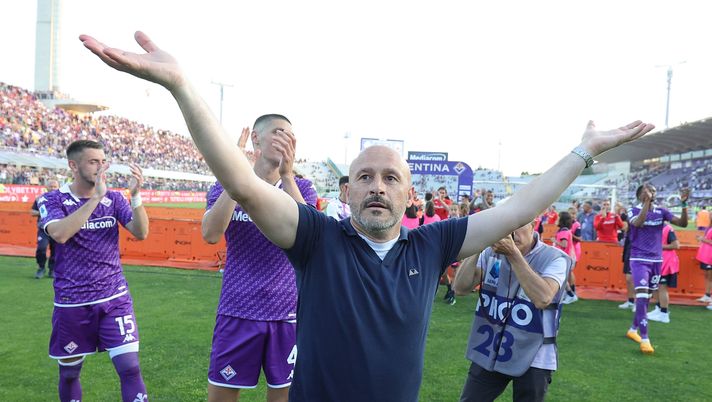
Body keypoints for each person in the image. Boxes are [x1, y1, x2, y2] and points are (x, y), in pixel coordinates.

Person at [80, 31, 653, 401]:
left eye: (391, 178)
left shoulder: (429, 247)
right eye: (365, 177)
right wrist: (182, 86)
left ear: (408, 197)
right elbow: (242, 186)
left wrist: (584, 151)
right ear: (346, 192)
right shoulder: (317, 239)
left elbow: (518, 208)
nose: (377, 187)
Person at [201, 118, 317, 402]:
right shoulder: (226, 185)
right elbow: (211, 234)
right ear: (256, 139)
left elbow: (312, 240)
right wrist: (235, 179)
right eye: (278, 133)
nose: (285, 140)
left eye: (291, 136)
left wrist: (288, 178)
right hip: (238, 310)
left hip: (287, 314)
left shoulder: (303, 187)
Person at [38, 140, 149, 402]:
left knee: (130, 368)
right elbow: (61, 234)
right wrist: (96, 198)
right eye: (93, 162)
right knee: (69, 374)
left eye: (102, 161)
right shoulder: (53, 199)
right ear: (73, 166)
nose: (100, 167)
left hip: (114, 299)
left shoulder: (115, 199)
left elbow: (141, 232)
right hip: (72, 304)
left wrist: (135, 196)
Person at [453, 220, 572, 402]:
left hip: (535, 355)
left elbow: (543, 298)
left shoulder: (555, 258)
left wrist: (513, 254)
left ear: (534, 225)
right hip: (490, 347)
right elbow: (460, 288)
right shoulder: (490, 253)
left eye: (518, 224)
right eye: (505, 224)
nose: (511, 231)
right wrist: (478, 246)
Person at [625, 184, 688, 354]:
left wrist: (684, 205)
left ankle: (632, 330)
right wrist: (646, 203)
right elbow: (638, 223)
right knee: (642, 295)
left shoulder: (661, 211)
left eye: (653, 190)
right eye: (647, 192)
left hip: (657, 260)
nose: (652, 193)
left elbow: (682, 223)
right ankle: (645, 339)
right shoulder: (632, 211)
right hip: (639, 259)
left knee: (647, 298)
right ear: (640, 196)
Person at [647, 223, 679, 323]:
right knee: (656, 286)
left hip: (667, 262)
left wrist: (658, 246)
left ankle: (664, 314)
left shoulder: (668, 229)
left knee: (662, 287)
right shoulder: (653, 227)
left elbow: (676, 245)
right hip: (657, 261)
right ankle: (658, 309)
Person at [31, 179, 60, 279]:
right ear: (46, 187)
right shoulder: (40, 199)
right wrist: (44, 213)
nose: (52, 188)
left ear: (58, 187)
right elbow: (32, 212)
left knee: (56, 250)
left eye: (54, 186)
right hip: (43, 229)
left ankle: (52, 270)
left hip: (57, 229)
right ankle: (41, 268)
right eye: (51, 186)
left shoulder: (62, 199)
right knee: (41, 248)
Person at [552, 211, 578, 304]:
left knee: (561, 278)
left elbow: (564, 244)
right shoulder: (566, 230)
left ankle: (570, 294)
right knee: (562, 277)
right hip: (566, 257)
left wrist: (554, 241)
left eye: (558, 218)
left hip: (564, 258)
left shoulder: (563, 231)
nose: (556, 219)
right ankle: (568, 294)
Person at [696, 226, 712, 306]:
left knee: (710, 277)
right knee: (707, 276)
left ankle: (709, 296)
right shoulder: (709, 227)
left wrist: (703, 239)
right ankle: (707, 295)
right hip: (705, 256)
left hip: (710, 256)